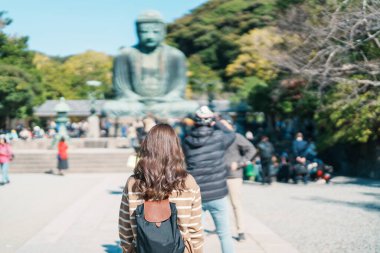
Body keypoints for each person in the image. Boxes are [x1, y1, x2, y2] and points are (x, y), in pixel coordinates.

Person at [119, 124, 203, 253]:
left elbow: (125, 229)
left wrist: (127, 249)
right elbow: (195, 230)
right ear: (175, 148)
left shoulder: (133, 183)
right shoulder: (188, 182)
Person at [103, 10, 198, 117]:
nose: (149, 36)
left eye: (155, 32)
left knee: (192, 106)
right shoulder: (124, 54)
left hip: (165, 103)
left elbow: (179, 87)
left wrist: (168, 98)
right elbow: (121, 87)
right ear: (137, 32)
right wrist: (133, 98)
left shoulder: (175, 55)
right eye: (144, 32)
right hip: (136, 103)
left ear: (163, 32)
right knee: (109, 107)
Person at [182, 106, 236, 253]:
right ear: (211, 121)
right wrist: (217, 120)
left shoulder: (186, 140)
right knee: (224, 234)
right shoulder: (218, 137)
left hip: (195, 194)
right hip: (217, 193)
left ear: (195, 121)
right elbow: (231, 133)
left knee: (193, 235)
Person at [220, 119, 256, 241]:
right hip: (218, 175)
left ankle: (240, 231)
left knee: (235, 203)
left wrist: (240, 163)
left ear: (231, 125)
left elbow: (252, 150)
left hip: (233, 176)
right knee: (219, 205)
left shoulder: (237, 136)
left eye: (224, 124)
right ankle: (223, 229)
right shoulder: (217, 137)